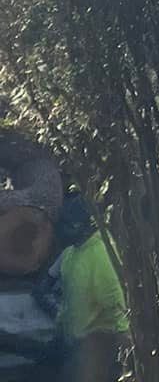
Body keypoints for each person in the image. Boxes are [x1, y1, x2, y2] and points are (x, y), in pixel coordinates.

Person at [0, 132, 126, 381]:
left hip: (91, 342)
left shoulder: (100, 253)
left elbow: (117, 308)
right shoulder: (71, 254)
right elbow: (48, 289)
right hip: (68, 337)